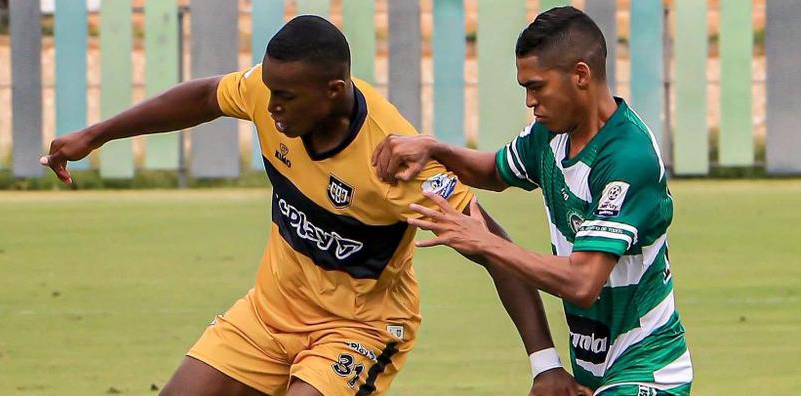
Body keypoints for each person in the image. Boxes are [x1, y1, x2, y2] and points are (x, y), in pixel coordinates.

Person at [41, 15, 584, 396]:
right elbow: (207, 96)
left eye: (286, 97)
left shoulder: (395, 159)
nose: (270, 107)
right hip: (268, 313)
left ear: (333, 89)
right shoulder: (269, 92)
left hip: (360, 330)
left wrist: (546, 366)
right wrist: (96, 134)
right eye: (268, 91)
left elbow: (491, 248)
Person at [372, 6, 693, 396]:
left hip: (648, 372)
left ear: (580, 75)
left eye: (537, 86)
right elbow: (495, 171)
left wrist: (486, 242)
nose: (529, 101)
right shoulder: (550, 134)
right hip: (597, 374)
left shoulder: (628, 158)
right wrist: (435, 149)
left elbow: (582, 281)